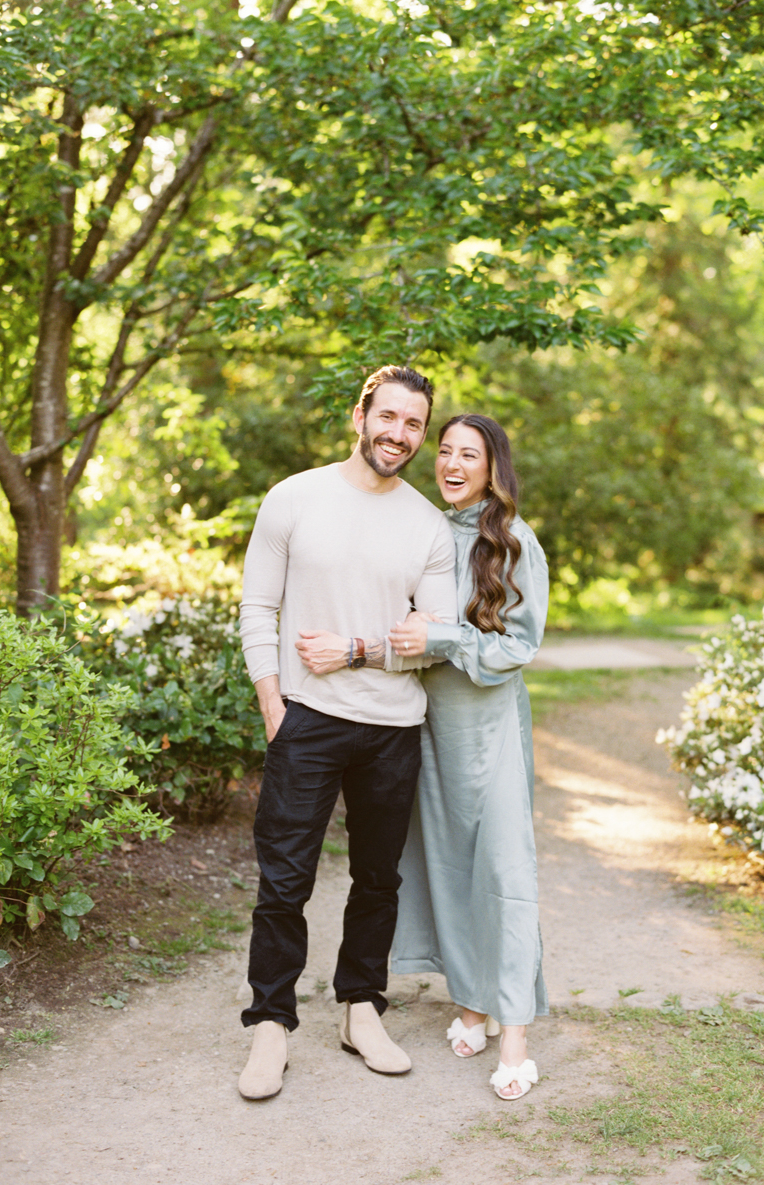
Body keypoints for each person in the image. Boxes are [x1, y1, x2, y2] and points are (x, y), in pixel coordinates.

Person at [236, 365, 457, 1101]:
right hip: (306, 720)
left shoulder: (427, 524)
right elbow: (257, 606)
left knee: (378, 879)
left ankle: (361, 1008)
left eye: (414, 423)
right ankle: (271, 1021)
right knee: (285, 879)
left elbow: (436, 636)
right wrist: (274, 701)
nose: (399, 433)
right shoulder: (294, 497)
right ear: (360, 414)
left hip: (393, 725)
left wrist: (361, 647)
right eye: (387, 416)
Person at [386, 413, 549, 1101]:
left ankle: (513, 1032)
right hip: (431, 727)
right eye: (444, 450)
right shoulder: (418, 529)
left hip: (491, 730)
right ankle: (473, 1002)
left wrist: (445, 637)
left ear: (492, 467)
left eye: (468, 454)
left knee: (504, 872)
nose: (452, 463)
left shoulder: (513, 540)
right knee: (449, 867)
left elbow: (518, 647)